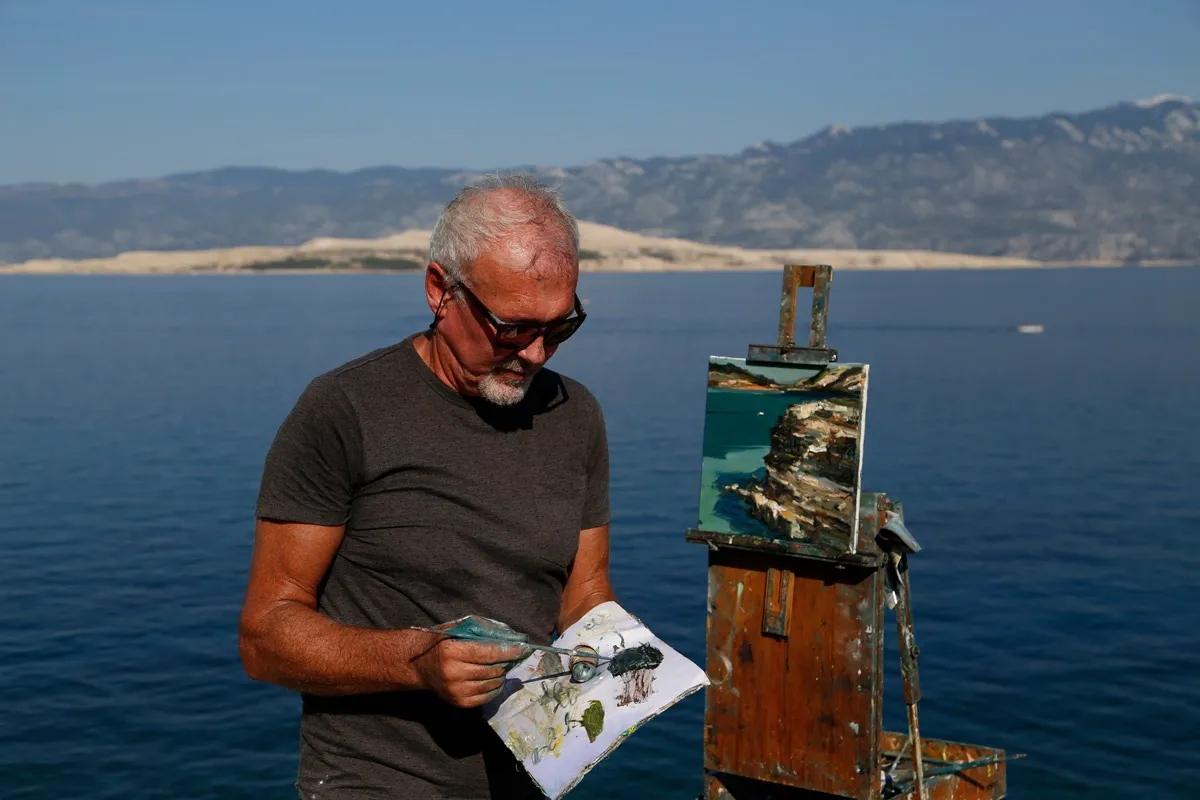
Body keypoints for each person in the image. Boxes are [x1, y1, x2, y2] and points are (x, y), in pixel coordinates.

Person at [238, 174, 615, 799]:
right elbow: (265, 637)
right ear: (441, 290)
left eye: (560, 328)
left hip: (529, 779)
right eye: (513, 328)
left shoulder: (575, 415)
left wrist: (632, 668)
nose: (539, 354)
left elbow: (585, 598)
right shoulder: (345, 409)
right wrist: (417, 662)